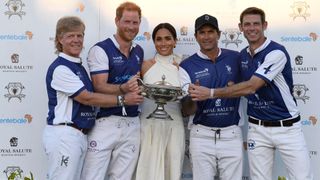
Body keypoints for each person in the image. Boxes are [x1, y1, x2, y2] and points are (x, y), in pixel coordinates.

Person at [188, 7, 313, 180]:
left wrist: (210, 92)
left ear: (265, 25)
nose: (251, 28)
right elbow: (236, 84)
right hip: (257, 129)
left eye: (256, 24)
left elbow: (252, 86)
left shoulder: (276, 52)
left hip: (287, 127)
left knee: (302, 177)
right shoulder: (242, 56)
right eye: (247, 24)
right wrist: (231, 85)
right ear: (240, 27)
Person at [43, 16, 143, 180]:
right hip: (65, 134)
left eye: (79, 35)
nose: (76, 40)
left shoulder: (78, 66)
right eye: (70, 36)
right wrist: (123, 99)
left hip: (78, 135)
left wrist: (124, 89)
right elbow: (87, 98)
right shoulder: (61, 68)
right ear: (60, 39)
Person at [80, 2, 144, 180]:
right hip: (105, 122)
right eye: (127, 21)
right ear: (117, 21)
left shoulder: (139, 51)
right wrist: (124, 89)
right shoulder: (101, 49)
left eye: (135, 22)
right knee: (92, 176)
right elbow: (99, 86)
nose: (131, 27)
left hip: (132, 122)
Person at [179, 14, 243, 180]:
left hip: (231, 134)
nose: (206, 37)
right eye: (202, 32)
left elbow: (250, 87)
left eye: (211, 32)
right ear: (195, 36)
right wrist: (192, 97)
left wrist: (234, 89)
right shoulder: (187, 65)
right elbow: (186, 110)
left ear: (219, 34)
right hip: (201, 136)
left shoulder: (236, 58)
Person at [135, 23, 185, 180]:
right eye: (159, 39)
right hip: (148, 123)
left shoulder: (183, 67)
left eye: (168, 39)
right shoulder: (144, 65)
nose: (163, 43)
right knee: (146, 169)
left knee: (172, 167)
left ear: (175, 41)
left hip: (174, 123)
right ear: (154, 42)